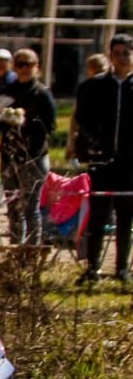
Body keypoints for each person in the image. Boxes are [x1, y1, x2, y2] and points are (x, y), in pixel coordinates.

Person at [73, 33, 133, 283]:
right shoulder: (94, 86)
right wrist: (94, 143)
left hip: (129, 165)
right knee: (98, 217)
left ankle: (122, 268)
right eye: (117, 53)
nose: (121, 58)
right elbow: (82, 118)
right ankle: (93, 267)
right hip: (102, 162)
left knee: (125, 218)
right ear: (110, 56)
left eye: (126, 53)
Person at [0, 49, 56, 246]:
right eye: (20, 64)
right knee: (13, 207)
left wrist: (26, 120)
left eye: (28, 64)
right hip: (9, 155)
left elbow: (51, 126)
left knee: (31, 207)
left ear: (36, 67)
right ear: (14, 67)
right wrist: (2, 116)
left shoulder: (42, 93)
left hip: (34, 157)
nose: (24, 68)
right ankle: (16, 251)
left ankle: (31, 253)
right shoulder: (8, 90)